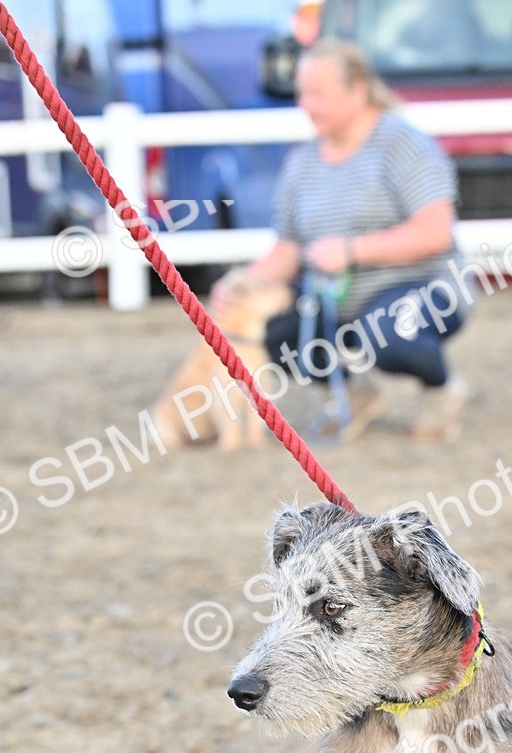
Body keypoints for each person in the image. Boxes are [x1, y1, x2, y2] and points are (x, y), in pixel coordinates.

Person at [152, 37, 472, 448]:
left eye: (318, 94)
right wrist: (240, 285)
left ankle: (442, 389)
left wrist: (353, 250)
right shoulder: (302, 162)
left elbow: (436, 231)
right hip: (334, 299)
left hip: (423, 286)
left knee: (393, 333)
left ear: (357, 91)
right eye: (302, 93)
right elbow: (287, 250)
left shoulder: (403, 144)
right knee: (273, 330)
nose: (306, 104)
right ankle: (355, 393)